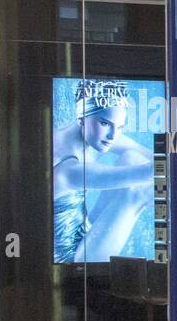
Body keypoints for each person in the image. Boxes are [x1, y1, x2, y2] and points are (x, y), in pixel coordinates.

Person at [52, 79, 154, 263]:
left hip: (83, 233)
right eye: (105, 123)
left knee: (131, 157)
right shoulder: (69, 169)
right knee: (139, 189)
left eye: (120, 127)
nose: (113, 136)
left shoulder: (91, 134)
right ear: (81, 115)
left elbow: (154, 157)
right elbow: (150, 171)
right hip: (74, 260)